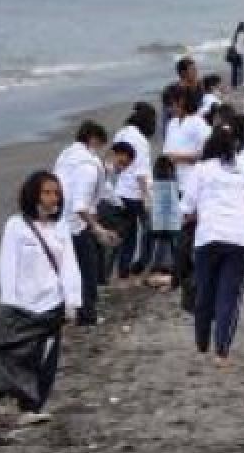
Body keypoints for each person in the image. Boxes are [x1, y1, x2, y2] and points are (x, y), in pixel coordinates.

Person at [0, 171, 81, 426]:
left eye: (56, 193)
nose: (53, 198)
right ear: (34, 195)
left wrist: (72, 301)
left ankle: (33, 406)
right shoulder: (15, 226)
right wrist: (9, 301)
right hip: (21, 304)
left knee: (46, 357)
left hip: (52, 303)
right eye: (47, 192)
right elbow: (7, 266)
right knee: (13, 355)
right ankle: (4, 401)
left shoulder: (60, 228)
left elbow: (69, 265)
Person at [181, 124, 244, 367]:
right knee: (229, 296)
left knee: (204, 291)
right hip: (239, 238)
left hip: (209, 236)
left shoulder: (201, 170)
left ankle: (202, 341)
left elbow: (186, 208)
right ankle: (221, 351)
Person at [54, 121, 120, 327]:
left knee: (63, 270)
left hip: (56, 220)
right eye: (100, 144)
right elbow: (80, 205)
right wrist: (97, 228)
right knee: (87, 270)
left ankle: (63, 311)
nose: (99, 151)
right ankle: (87, 314)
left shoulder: (66, 156)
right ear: (93, 139)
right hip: (77, 225)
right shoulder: (88, 166)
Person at [110, 103, 156, 285]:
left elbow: (115, 165)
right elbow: (141, 173)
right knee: (147, 230)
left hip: (120, 190)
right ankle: (138, 267)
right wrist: (147, 198)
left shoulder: (120, 134)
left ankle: (121, 271)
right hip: (136, 193)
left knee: (126, 233)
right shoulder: (141, 141)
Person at [147, 155, 181, 288]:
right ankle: (171, 272)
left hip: (160, 223)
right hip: (172, 222)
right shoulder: (172, 183)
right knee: (173, 247)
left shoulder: (155, 183)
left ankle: (159, 272)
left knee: (161, 247)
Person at [228, 22, 244, 89]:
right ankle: (241, 83)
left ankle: (233, 84)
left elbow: (233, 44)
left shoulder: (236, 34)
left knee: (234, 69)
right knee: (242, 69)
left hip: (234, 53)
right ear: (243, 27)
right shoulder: (243, 34)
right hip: (241, 53)